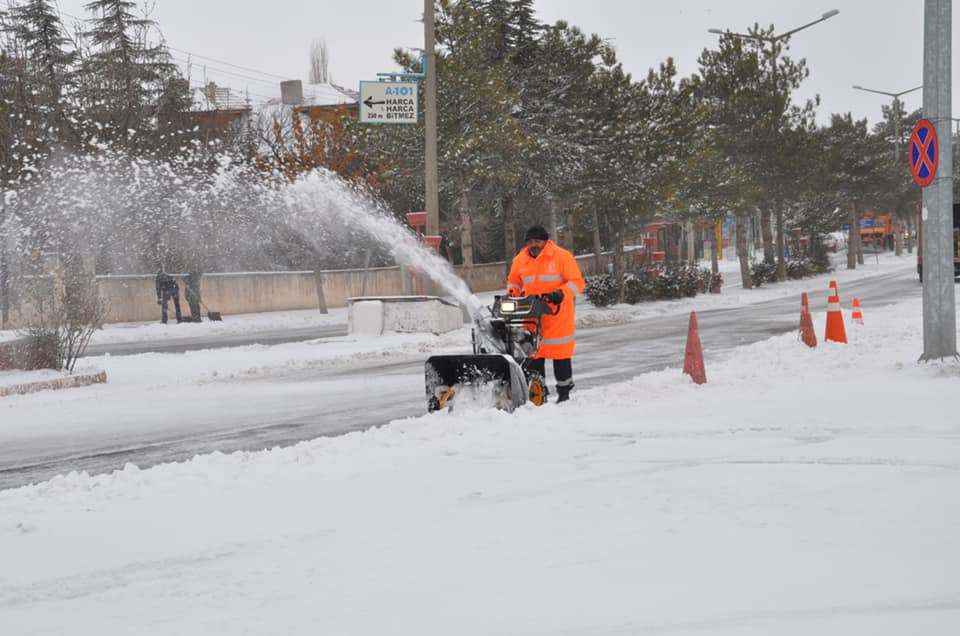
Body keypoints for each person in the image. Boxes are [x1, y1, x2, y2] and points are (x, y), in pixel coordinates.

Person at [506, 224, 585, 402]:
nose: (533, 245)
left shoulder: (562, 257)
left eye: (537, 241)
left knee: (560, 355)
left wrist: (561, 293)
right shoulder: (520, 260)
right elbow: (514, 282)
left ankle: (564, 392)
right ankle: (538, 393)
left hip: (557, 316)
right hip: (531, 316)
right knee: (533, 356)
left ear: (546, 241)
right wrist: (511, 295)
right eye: (530, 242)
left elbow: (577, 282)